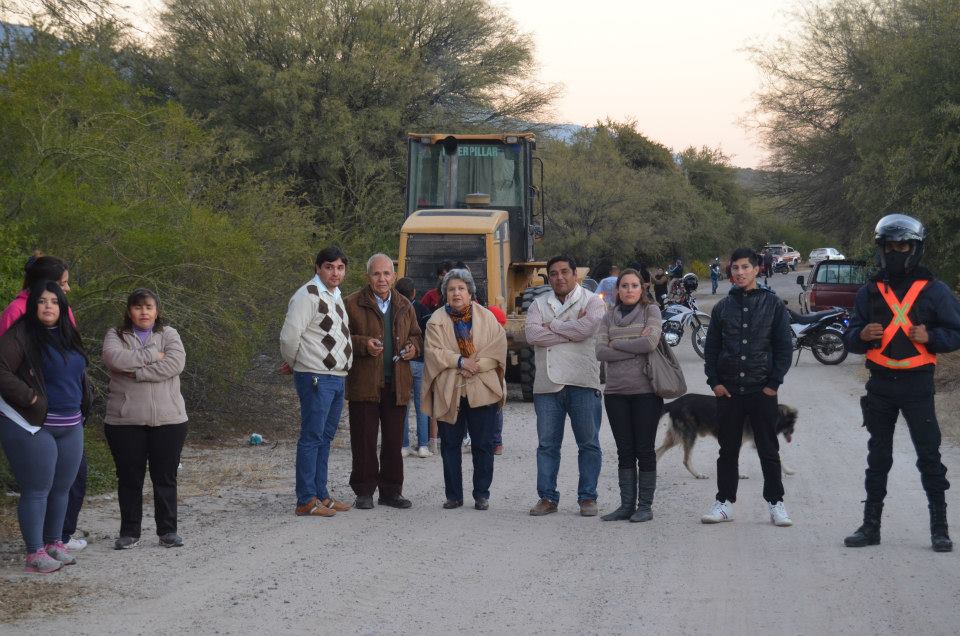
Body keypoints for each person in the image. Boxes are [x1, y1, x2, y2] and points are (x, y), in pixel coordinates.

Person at [842, 214, 960, 552]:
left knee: (929, 456)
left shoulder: (935, 290)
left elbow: (957, 332)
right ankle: (870, 527)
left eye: (903, 246)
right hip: (880, 385)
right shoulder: (869, 291)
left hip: (917, 386)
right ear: (881, 249)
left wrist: (931, 337)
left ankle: (940, 530)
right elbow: (850, 336)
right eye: (889, 247)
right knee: (878, 458)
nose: (895, 252)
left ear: (915, 248)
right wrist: (861, 335)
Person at [0, 281, 90, 573]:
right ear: (32, 305)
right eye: (42, 301)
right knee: (37, 489)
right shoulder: (21, 334)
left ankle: (54, 543)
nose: (48, 306)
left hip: (70, 424)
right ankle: (34, 553)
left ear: (62, 307)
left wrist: (85, 403)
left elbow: (78, 375)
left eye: (54, 301)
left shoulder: (68, 334)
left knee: (62, 489)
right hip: (31, 425)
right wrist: (29, 397)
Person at [702, 247, 793, 527]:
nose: (740, 272)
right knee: (727, 450)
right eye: (735, 268)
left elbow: (783, 348)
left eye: (745, 267)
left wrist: (773, 384)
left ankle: (776, 504)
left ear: (757, 269)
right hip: (729, 392)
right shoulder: (722, 308)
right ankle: (724, 503)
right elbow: (711, 349)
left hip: (761, 389)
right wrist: (715, 382)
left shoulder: (773, 304)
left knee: (768, 449)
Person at [102, 288, 188, 549]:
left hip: (169, 419)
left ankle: (168, 531)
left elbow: (175, 364)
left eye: (149, 307)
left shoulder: (169, 334)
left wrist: (138, 373)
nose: (144, 312)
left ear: (157, 311)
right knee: (130, 478)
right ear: (129, 311)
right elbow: (116, 359)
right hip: (125, 421)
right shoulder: (115, 335)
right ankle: (130, 532)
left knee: (165, 478)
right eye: (138, 307)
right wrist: (153, 355)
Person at [524, 255, 606, 517]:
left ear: (575, 274)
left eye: (564, 272)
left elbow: (588, 329)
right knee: (547, 445)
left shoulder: (592, 301)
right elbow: (532, 335)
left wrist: (554, 325)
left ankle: (587, 497)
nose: (559, 277)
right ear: (548, 278)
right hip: (547, 386)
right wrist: (572, 331)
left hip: (583, 380)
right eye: (553, 273)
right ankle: (547, 497)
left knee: (589, 444)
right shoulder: (538, 304)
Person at [279, 247, 354, 517]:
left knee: (325, 437)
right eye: (329, 267)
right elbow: (289, 336)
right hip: (314, 375)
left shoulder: (336, 295)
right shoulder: (307, 295)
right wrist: (297, 362)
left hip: (336, 376)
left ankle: (321, 494)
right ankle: (306, 499)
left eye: (340, 268)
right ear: (318, 268)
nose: (335, 272)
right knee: (312, 437)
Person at [423, 269, 507, 510]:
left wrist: (475, 365)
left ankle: (482, 494)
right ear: (445, 294)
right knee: (450, 445)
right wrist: (460, 361)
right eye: (451, 289)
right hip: (450, 390)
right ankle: (454, 496)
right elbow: (433, 352)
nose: (456, 293)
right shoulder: (436, 320)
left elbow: (498, 348)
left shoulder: (487, 317)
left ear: (470, 292)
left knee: (483, 444)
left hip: (482, 388)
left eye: (461, 288)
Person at [344, 254, 422, 510]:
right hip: (364, 383)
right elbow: (341, 338)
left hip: (397, 382)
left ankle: (391, 492)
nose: (382, 279)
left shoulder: (405, 304)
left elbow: (417, 336)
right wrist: (363, 344)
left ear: (394, 276)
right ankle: (364, 491)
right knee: (364, 439)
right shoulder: (352, 303)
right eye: (376, 274)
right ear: (368, 277)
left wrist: (413, 348)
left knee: (393, 441)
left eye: (387, 273)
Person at [595, 268, 663, 522]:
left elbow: (650, 343)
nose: (629, 290)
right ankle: (626, 506)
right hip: (615, 393)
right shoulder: (608, 316)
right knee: (624, 450)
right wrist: (635, 346)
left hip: (646, 392)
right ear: (617, 290)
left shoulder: (651, 311)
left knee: (644, 449)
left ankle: (645, 506)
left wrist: (618, 344)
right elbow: (600, 352)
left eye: (634, 285)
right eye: (624, 286)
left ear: (642, 288)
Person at [395, 277, 432, 458]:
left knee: (403, 404)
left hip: (402, 363)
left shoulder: (394, 310)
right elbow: (428, 336)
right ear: (414, 292)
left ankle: (403, 445)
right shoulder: (424, 310)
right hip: (420, 362)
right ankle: (423, 445)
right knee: (421, 405)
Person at [487, 304, 508, 455]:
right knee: (496, 407)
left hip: (490, 373)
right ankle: (496, 443)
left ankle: (494, 442)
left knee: (493, 407)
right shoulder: (500, 335)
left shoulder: (488, 333)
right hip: (497, 373)